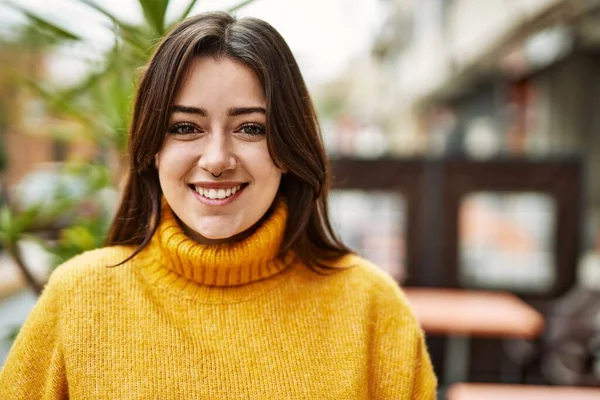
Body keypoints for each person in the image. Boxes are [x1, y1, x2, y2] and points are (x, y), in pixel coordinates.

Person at [0, 11, 437, 399]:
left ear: (289, 148)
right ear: (151, 149)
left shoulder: (372, 308)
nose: (216, 160)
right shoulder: (79, 297)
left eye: (250, 128)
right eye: (186, 127)